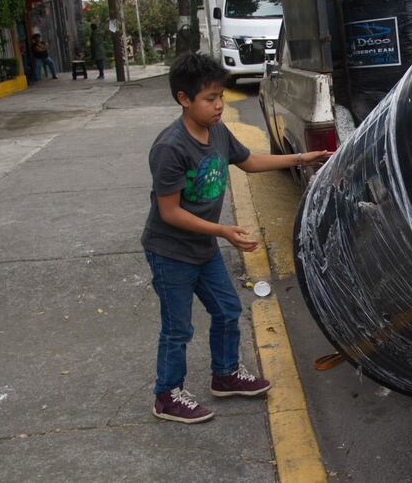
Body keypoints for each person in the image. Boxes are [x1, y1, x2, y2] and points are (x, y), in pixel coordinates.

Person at [142, 52, 331, 424]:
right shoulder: (170, 148)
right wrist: (224, 231)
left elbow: (248, 161)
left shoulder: (217, 131)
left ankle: (225, 375)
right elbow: (170, 212)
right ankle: (166, 395)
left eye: (220, 97)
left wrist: (301, 159)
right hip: (170, 253)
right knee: (178, 327)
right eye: (210, 99)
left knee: (227, 310)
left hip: (203, 247)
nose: (219, 105)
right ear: (184, 99)